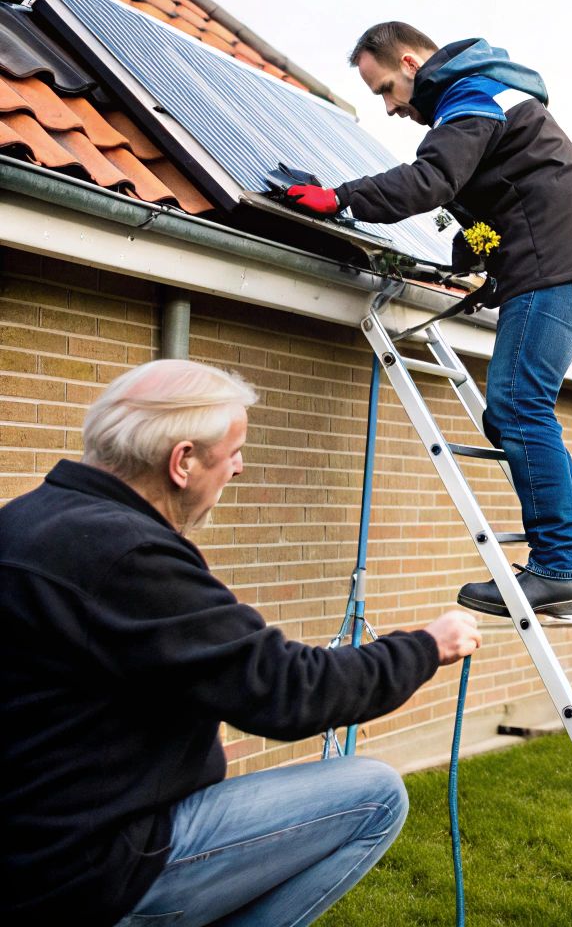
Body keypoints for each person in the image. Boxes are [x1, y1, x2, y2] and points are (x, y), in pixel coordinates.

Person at [0, 360, 483, 926]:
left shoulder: (28, 522)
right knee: (374, 793)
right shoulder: (127, 557)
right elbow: (288, 691)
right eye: (232, 453)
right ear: (183, 462)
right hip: (85, 871)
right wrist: (427, 645)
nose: (239, 469)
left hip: (34, 843)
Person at [280, 21, 572, 619]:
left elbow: (432, 180)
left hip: (555, 268)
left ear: (413, 63)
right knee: (521, 412)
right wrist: (477, 261)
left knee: (519, 408)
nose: (390, 108)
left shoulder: (468, 95)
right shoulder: (486, 96)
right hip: (564, 264)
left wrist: (339, 197)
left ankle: (556, 568)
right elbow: (485, 196)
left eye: (387, 88)